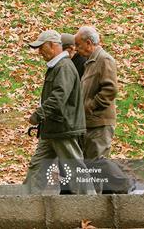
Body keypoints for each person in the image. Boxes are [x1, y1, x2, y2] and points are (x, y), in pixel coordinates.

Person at [23, 29, 96, 195]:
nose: (39, 52)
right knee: (37, 165)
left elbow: (58, 97)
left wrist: (39, 114)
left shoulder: (63, 67)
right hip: (52, 129)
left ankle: (92, 203)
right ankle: (25, 201)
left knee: (75, 167)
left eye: (41, 47)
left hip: (63, 128)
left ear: (53, 45)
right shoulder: (57, 66)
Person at [74, 26, 143, 194]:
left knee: (96, 161)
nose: (76, 49)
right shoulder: (91, 61)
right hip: (90, 121)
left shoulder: (104, 60)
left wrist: (90, 106)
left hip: (100, 120)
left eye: (78, 45)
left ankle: (128, 186)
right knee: (90, 163)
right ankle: (103, 199)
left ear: (89, 43)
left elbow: (110, 89)